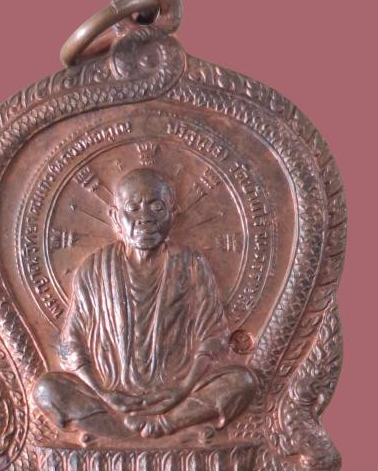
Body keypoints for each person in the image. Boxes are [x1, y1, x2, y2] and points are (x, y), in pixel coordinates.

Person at [33, 167, 257, 438]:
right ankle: (144, 430)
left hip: (178, 392)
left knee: (242, 381)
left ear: (172, 214)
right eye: (133, 208)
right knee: (47, 389)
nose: (145, 219)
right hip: (111, 395)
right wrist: (102, 392)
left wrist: (182, 389)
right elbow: (72, 343)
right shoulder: (94, 268)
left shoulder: (191, 264)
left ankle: (152, 428)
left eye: (156, 207)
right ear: (115, 217)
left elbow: (213, 337)